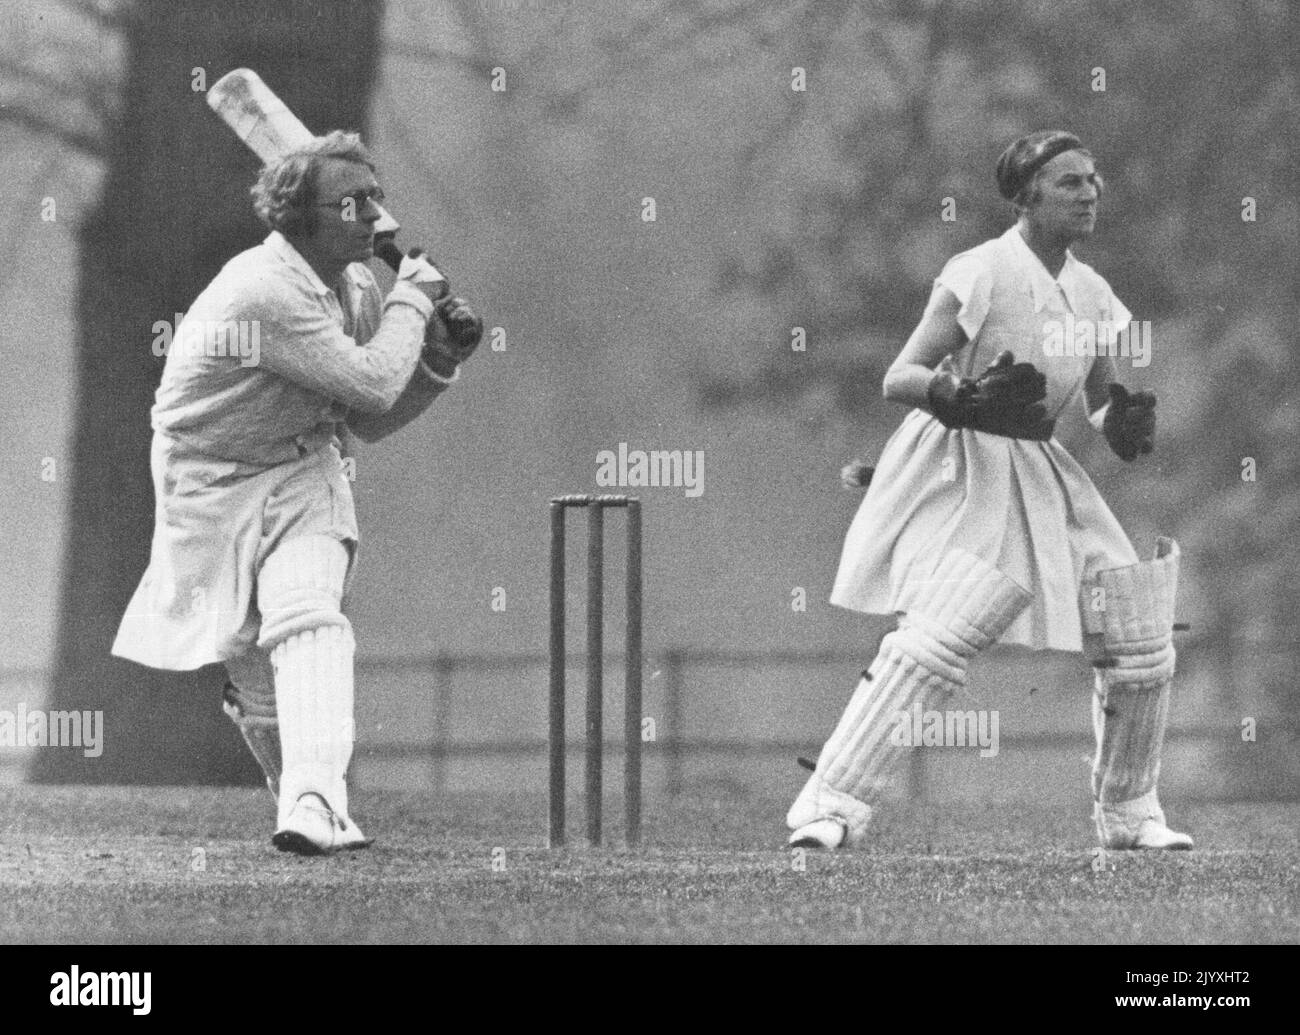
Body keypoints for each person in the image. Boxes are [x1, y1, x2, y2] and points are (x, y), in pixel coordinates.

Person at [789, 130, 1192, 853]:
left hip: (1040, 467)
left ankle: (1130, 812)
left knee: (1139, 638)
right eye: (1070, 182)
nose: (1090, 192)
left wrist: (1121, 420)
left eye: (1093, 180)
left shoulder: (1094, 294)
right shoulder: (980, 271)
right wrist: (961, 394)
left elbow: (1099, 400)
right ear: (1028, 195)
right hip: (958, 466)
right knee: (935, 639)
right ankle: (830, 802)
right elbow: (900, 375)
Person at [112, 131, 482, 854]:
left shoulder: (349, 285)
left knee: (309, 616)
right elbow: (374, 382)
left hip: (304, 468)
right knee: (251, 661)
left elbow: (370, 417)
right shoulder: (263, 291)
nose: (376, 216)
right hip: (206, 478)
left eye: (378, 197)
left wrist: (436, 356)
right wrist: (414, 298)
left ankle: (318, 798)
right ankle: (299, 799)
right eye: (354, 203)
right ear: (298, 216)